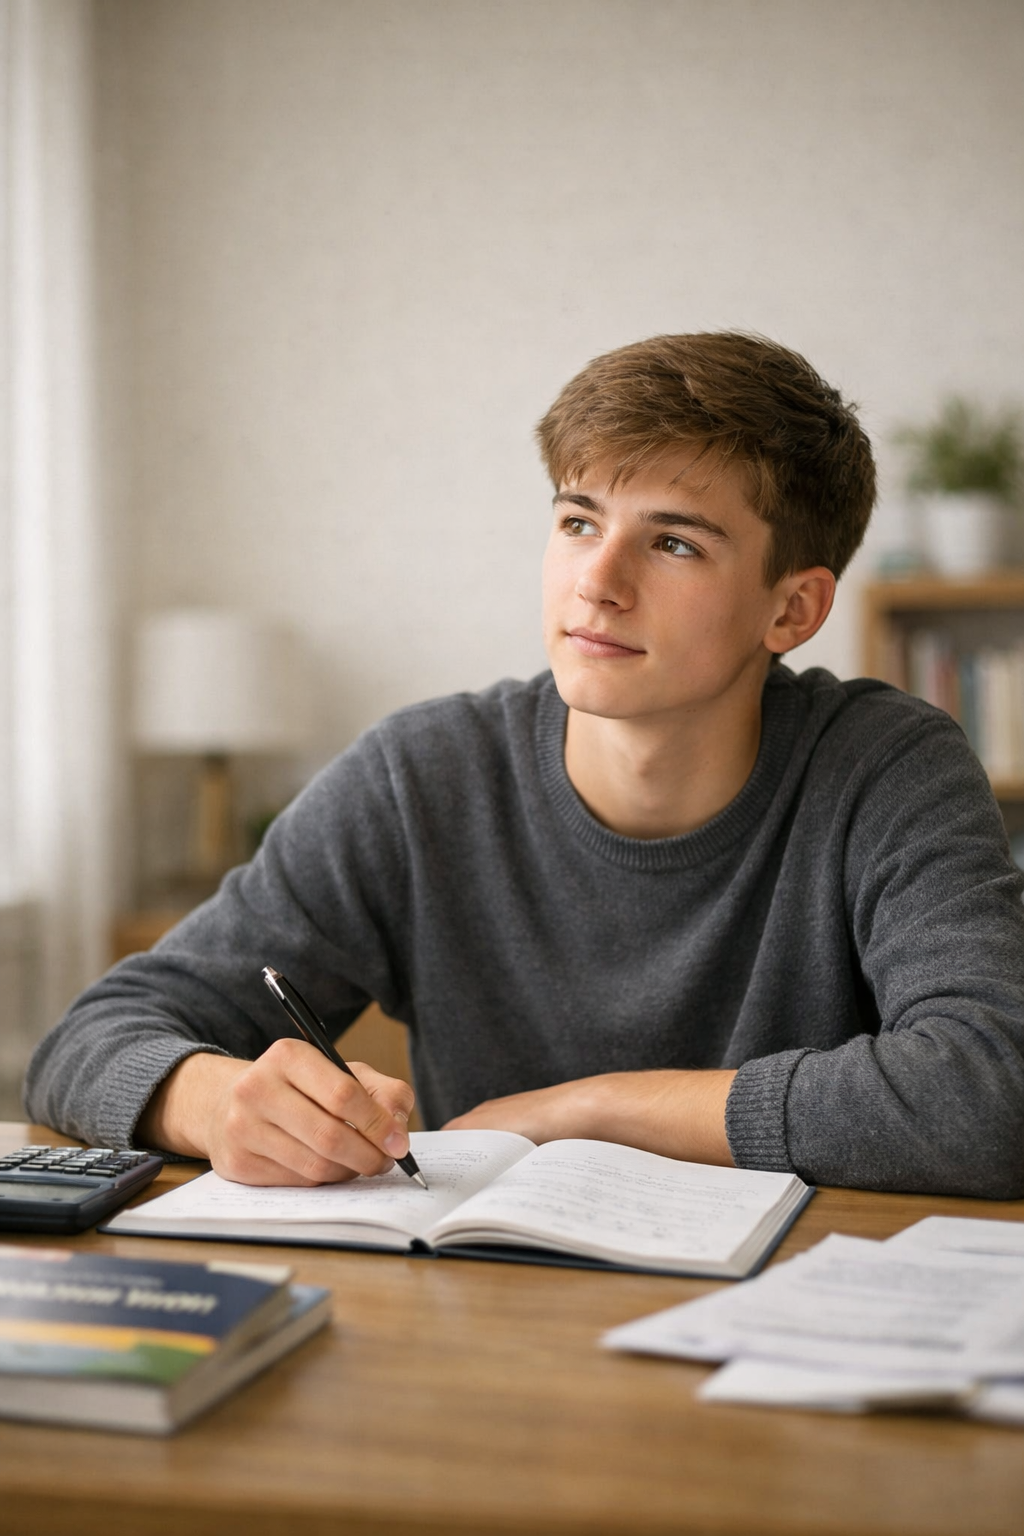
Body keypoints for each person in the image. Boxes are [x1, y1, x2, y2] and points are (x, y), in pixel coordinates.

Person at [24, 333, 1024, 1198]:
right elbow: (87, 1040)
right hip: (494, 1333)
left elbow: (994, 1093)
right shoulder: (421, 778)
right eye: (578, 520)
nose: (596, 582)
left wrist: (586, 1110)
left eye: (672, 543)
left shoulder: (886, 768)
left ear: (792, 610)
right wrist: (210, 1100)